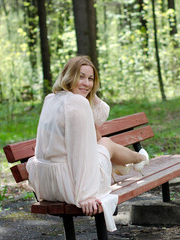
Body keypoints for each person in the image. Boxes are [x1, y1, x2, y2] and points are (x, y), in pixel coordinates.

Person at [26, 56, 149, 232]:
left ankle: (129, 162)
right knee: (106, 142)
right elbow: (79, 154)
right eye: (80, 77)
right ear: (68, 76)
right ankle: (139, 158)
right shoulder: (77, 103)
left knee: (101, 140)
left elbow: (97, 118)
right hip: (69, 187)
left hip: (46, 184)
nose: (86, 83)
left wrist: (86, 91)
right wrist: (85, 195)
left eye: (91, 79)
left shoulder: (51, 99)